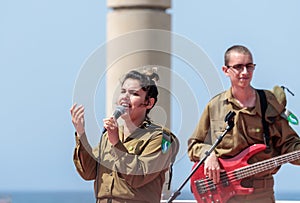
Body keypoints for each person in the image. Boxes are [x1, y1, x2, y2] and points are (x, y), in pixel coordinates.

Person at [188, 45, 300, 203]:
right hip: (222, 193)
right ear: (226, 70)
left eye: (249, 66)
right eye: (238, 67)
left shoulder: (269, 103)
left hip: (260, 193)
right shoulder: (215, 106)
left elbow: (289, 144)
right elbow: (194, 145)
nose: (245, 72)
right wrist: (208, 154)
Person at [70, 69, 179, 203]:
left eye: (134, 93)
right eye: (123, 91)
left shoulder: (162, 138)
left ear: (149, 103)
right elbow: (88, 173)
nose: (125, 97)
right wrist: (81, 135)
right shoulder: (108, 136)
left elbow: (138, 177)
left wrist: (117, 144)